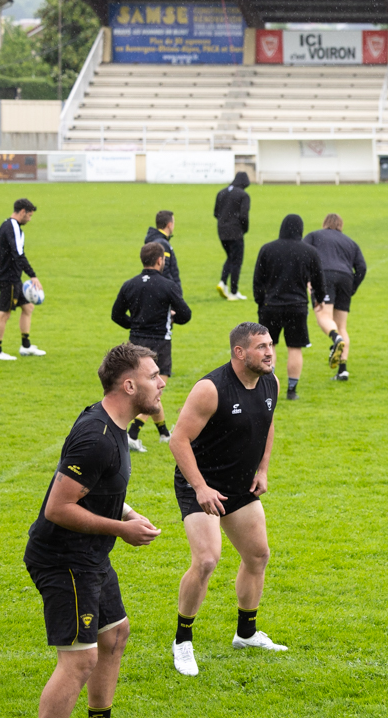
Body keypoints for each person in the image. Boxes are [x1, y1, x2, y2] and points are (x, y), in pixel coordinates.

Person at [24, 343, 164, 718]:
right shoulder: (97, 438)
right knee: (80, 660)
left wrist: (129, 513)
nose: (162, 382)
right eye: (153, 376)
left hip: (90, 554)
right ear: (129, 386)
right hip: (63, 560)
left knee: (115, 635)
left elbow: (100, 488)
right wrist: (121, 529)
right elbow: (58, 508)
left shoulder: (112, 424)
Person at [168, 322, 285, 677]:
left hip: (240, 486)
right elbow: (178, 439)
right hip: (200, 484)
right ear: (239, 352)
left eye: (270, 345)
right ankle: (182, 641)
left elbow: (267, 424)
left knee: (258, 555)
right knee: (206, 560)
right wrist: (201, 487)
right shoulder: (210, 389)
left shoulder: (271, 382)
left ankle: (246, 633)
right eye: (261, 347)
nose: (269, 352)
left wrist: (262, 470)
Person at [111, 242, 193, 452]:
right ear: (160, 260)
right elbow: (186, 314)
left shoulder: (130, 285)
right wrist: (172, 318)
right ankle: (132, 434)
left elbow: (116, 315)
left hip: (135, 344)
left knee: (147, 390)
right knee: (153, 390)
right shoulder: (168, 285)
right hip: (160, 345)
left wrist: (136, 325)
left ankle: (165, 434)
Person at [253, 214, 326, 400]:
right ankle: (291, 390)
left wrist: (261, 301)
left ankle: (269, 387)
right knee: (295, 348)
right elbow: (319, 280)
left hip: (271, 306)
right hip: (297, 306)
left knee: (269, 346)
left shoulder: (267, 249)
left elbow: (257, 280)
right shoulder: (309, 251)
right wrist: (318, 298)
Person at [303, 213, 367, 381]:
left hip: (324, 275)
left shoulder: (315, 235)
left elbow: (303, 254)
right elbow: (362, 267)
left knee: (323, 316)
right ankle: (343, 370)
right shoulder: (350, 242)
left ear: (325, 223)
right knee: (342, 325)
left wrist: (308, 279)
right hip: (346, 278)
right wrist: (352, 287)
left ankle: (335, 338)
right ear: (341, 225)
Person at [0, 197, 46, 360]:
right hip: (8, 278)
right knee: (4, 313)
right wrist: (32, 275)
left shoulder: (9, 226)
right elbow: (18, 254)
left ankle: (26, 346)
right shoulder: (12, 227)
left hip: (13, 277)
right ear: (22, 212)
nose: (29, 219)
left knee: (28, 307)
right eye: (29, 215)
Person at [214, 172, 251, 300]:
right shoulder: (243, 195)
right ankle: (234, 292)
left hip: (221, 231)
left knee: (230, 257)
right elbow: (244, 215)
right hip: (235, 231)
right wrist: (244, 229)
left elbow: (216, 213)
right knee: (237, 260)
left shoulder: (221, 192)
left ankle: (223, 282)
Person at [145, 210, 182, 293]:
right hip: (165, 292)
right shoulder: (162, 244)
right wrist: (174, 290)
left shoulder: (155, 240)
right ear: (169, 225)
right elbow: (164, 269)